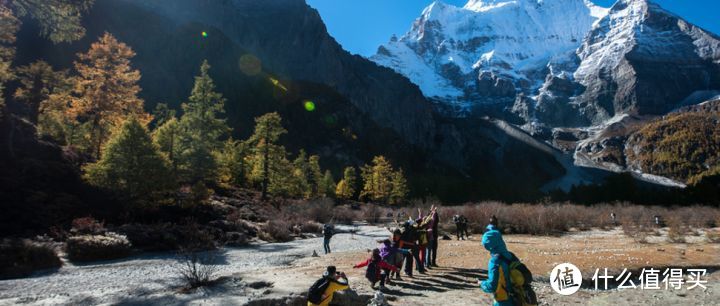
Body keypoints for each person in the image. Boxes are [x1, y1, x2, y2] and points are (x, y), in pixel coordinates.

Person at [479, 229, 515, 306]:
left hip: (503, 301)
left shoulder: (494, 261)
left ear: (489, 245)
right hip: (517, 298)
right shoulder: (511, 256)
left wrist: (481, 284)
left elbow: (492, 286)